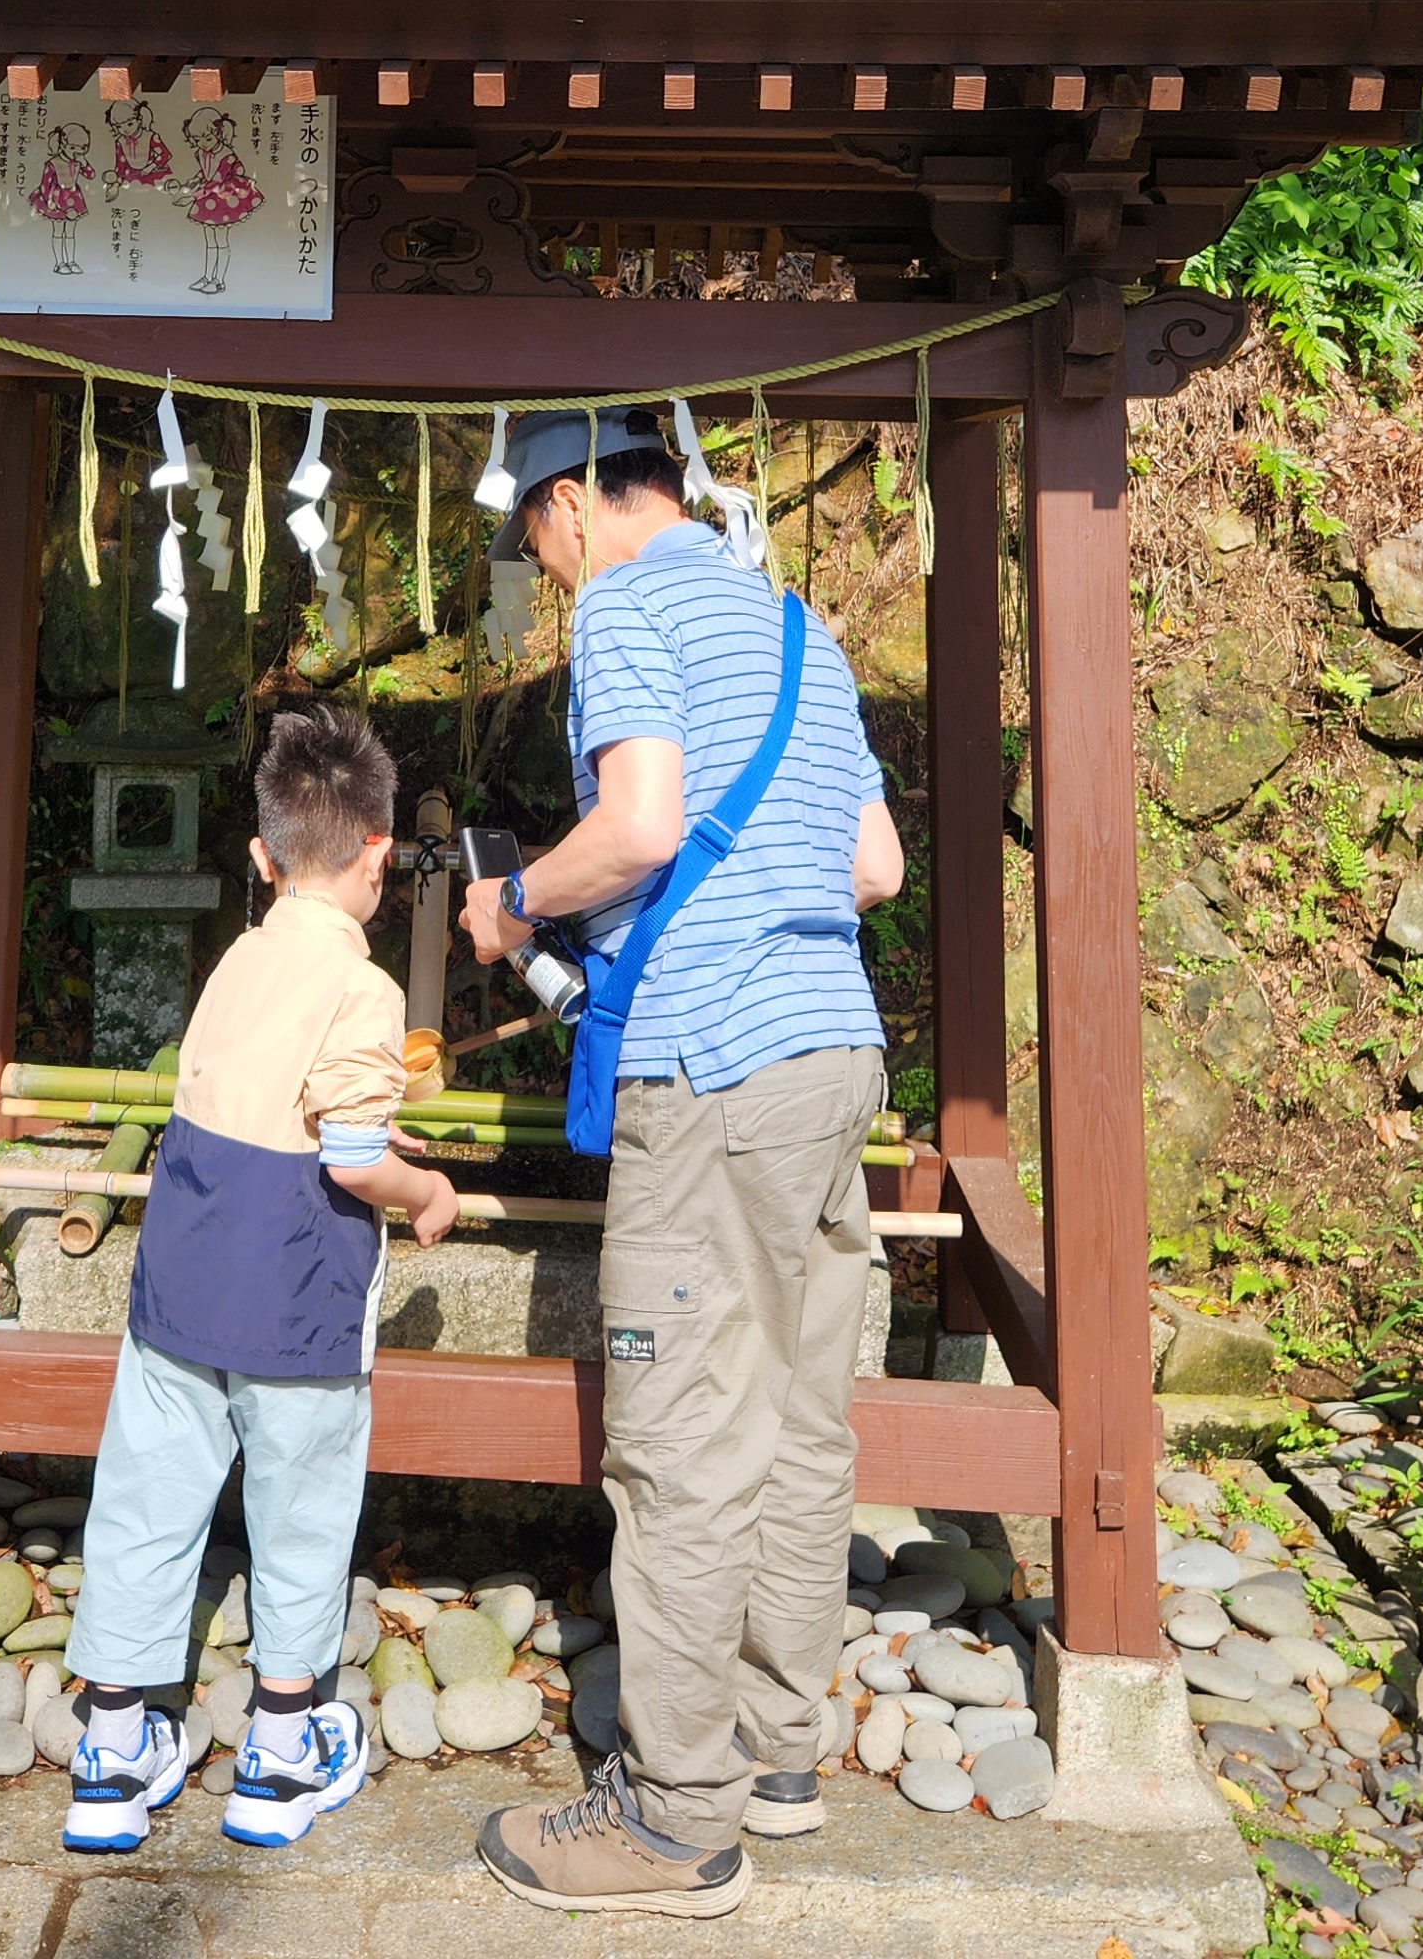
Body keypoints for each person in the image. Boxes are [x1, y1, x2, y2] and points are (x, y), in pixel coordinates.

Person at [459, 408, 904, 1919]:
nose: (547, 570)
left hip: (712, 1065)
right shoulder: (796, 624)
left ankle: (670, 1821)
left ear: (575, 504)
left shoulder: (627, 603)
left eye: (536, 541)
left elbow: (641, 827)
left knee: (678, 1443)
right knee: (798, 1417)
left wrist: (520, 901)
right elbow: (873, 868)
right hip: (834, 1052)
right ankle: (776, 1759)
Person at [60, 701, 461, 1857]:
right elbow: (348, 1158)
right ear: (379, 856)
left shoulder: (236, 959)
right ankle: (280, 1752)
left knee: (144, 1503)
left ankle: (112, 1753)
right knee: (300, 1510)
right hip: (295, 1298)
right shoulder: (364, 989)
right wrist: (421, 1190)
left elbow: (273, 1105)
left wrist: (367, 1132)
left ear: (260, 856)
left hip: (180, 1287)